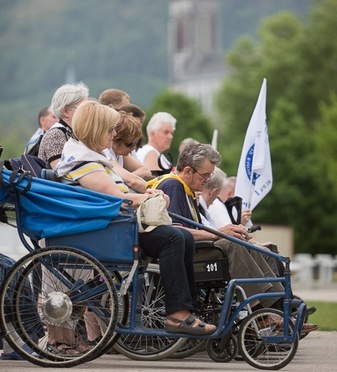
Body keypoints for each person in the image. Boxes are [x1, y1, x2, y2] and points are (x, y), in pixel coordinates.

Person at [56, 101, 216, 336]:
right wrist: (146, 197)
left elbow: (122, 191)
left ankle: (186, 308)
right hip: (111, 229)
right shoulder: (84, 162)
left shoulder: (89, 156)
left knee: (183, 237)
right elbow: (116, 199)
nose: (113, 134)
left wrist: (146, 194)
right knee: (174, 238)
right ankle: (177, 313)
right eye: (110, 129)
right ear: (96, 129)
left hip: (118, 225)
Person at [147, 142, 318, 334]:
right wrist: (220, 232)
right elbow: (177, 231)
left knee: (244, 243)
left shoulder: (185, 190)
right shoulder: (173, 185)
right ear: (188, 171)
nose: (207, 181)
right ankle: (262, 313)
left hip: (194, 250)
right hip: (186, 255)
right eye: (205, 175)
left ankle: (278, 310)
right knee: (232, 244)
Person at [38, 82, 89, 169]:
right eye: (83, 108)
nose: (88, 112)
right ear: (66, 111)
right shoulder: (55, 135)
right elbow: (62, 172)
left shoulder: (72, 133)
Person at [104, 111, 152, 191]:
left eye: (136, 142)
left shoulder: (120, 153)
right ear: (115, 140)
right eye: (130, 144)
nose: (134, 148)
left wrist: (127, 176)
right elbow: (131, 181)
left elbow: (146, 171)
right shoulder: (106, 152)